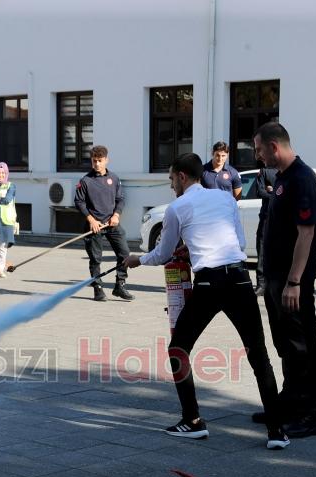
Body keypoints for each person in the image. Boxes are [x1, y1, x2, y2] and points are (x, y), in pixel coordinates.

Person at [123, 153, 289, 450]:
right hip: (239, 279)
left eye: (172, 179)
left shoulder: (177, 207)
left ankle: (193, 421)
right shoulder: (225, 199)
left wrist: (137, 259)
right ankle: (277, 431)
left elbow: (162, 254)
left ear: (183, 177)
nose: (172, 185)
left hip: (209, 284)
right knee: (258, 355)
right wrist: (194, 251)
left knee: (178, 349)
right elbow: (237, 242)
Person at [252, 122, 316, 438]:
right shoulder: (283, 178)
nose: (257, 156)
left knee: (301, 344)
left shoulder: (303, 179)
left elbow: (306, 233)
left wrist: (294, 281)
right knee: (285, 343)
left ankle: (310, 414)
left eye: (258, 149)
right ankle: (289, 400)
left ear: (274, 146)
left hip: (292, 282)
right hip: (277, 278)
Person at [74, 145, 133, 302]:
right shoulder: (85, 181)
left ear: (106, 160)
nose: (97, 164)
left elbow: (120, 199)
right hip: (95, 226)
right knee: (96, 259)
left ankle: (120, 285)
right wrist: (91, 219)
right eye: (94, 161)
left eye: (100, 161)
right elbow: (79, 202)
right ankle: (98, 288)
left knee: (125, 254)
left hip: (111, 223)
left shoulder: (113, 179)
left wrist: (116, 215)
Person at [254, 166, 277, 296]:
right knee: (262, 251)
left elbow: (288, 192)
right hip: (266, 216)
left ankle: (274, 283)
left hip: (281, 217)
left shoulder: (285, 169)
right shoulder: (264, 171)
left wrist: (272, 190)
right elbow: (259, 192)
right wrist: (275, 192)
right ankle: (261, 284)